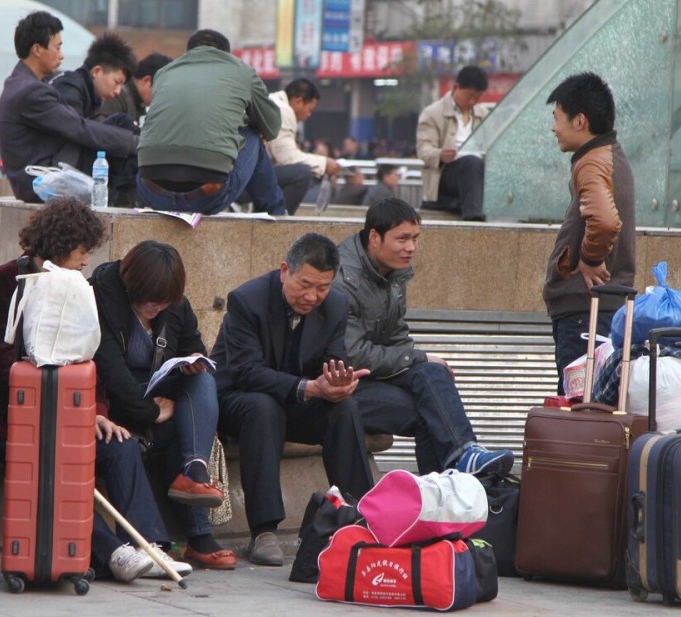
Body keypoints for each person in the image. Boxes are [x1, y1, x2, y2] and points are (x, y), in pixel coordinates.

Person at [0, 199, 190, 582]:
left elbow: (88, 358)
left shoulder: (77, 288)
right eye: (83, 251)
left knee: (121, 445)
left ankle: (152, 546)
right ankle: (113, 552)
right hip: (6, 419)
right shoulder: (2, 285)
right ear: (63, 245)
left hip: (66, 413)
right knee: (47, 465)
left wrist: (96, 411)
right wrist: (52, 419)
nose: (86, 261)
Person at [210, 233, 374, 567]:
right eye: (305, 284)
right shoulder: (247, 300)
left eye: (323, 287)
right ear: (285, 270)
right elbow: (246, 372)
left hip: (295, 400)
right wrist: (311, 388)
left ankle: (361, 516)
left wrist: (339, 383)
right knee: (263, 407)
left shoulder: (336, 305)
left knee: (344, 408)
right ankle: (264, 530)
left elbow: (333, 359)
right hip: (238, 401)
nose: (313, 296)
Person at [334, 198, 516, 477]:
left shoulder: (392, 272)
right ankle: (442, 491)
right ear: (374, 237)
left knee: (432, 375)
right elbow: (353, 353)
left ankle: (463, 456)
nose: (411, 248)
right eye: (402, 239)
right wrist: (417, 356)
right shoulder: (344, 280)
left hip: (375, 376)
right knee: (431, 414)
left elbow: (396, 336)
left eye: (415, 238)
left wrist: (421, 361)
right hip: (341, 384)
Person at [90, 241, 236, 571]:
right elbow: (108, 369)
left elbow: (193, 345)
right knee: (172, 426)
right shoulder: (100, 300)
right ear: (131, 285)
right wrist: (154, 412)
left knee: (202, 383)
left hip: (160, 393)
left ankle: (195, 472)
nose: (156, 307)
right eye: (149, 301)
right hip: (121, 404)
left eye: (164, 302)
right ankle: (192, 536)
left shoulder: (175, 305)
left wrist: (192, 362)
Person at [543, 72, 635, 394]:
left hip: (587, 312)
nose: (554, 127)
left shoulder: (592, 163)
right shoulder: (607, 155)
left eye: (557, 118)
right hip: (599, 309)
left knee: (580, 413)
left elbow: (606, 221)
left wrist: (590, 258)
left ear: (579, 121)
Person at [136, 29, 286, 216]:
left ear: (189, 52)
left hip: (151, 193)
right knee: (253, 135)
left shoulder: (164, 73)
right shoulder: (241, 71)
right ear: (226, 55)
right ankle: (277, 214)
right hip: (207, 196)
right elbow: (271, 127)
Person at [0, 11, 137, 203]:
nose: (61, 55)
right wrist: (135, 143)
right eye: (57, 47)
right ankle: (121, 205)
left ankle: (120, 203)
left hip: (49, 167)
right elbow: (77, 128)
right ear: (37, 49)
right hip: (43, 180)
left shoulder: (25, 83)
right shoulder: (30, 92)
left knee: (120, 125)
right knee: (123, 135)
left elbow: (78, 124)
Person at [416, 65, 489, 221]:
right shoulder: (432, 113)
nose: (473, 101)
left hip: (476, 173)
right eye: (469, 96)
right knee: (471, 163)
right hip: (445, 173)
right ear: (456, 88)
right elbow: (423, 150)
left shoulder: (483, 113)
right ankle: (473, 217)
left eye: (477, 97)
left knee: (477, 165)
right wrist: (440, 154)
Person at [266, 79, 341, 215]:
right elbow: (286, 158)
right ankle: (279, 223)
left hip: (243, 173)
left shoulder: (273, 102)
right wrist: (324, 163)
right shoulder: (283, 110)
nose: (309, 115)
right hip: (244, 180)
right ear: (298, 102)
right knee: (301, 173)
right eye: (310, 109)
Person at [101, 52, 173, 125]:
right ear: (146, 81)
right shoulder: (116, 95)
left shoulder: (140, 104)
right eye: (162, 92)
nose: (163, 99)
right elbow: (102, 130)